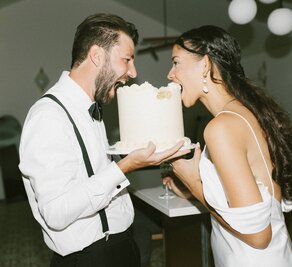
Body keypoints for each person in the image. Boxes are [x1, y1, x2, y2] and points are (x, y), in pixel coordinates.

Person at [19, 13, 189, 267]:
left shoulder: (93, 109)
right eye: (127, 60)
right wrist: (124, 167)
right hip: (88, 259)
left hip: (120, 248)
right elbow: (55, 212)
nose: (133, 72)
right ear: (97, 55)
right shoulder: (48, 116)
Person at [162, 25, 292, 267]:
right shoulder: (245, 113)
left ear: (205, 65)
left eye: (176, 62)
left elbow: (259, 236)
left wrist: (194, 183)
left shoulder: (221, 127)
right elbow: (253, 197)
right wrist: (196, 191)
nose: (170, 74)